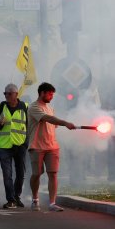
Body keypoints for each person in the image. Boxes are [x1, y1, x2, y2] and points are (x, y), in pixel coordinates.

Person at [27, 82, 76, 212]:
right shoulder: (33, 107)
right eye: (49, 94)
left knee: (53, 174)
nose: (51, 97)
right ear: (42, 93)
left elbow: (53, 124)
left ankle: (52, 203)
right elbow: (48, 119)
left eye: (52, 94)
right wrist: (65, 122)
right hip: (36, 145)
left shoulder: (50, 108)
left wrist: (65, 124)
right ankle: (35, 198)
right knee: (37, 174)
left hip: (52, 146)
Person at [0, 84, 28, 209]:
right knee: (7, 174)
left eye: (9, 93)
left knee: (20, 174)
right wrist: (0, 123)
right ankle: (11, 199)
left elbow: (29, 126)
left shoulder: (25, 107)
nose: (6, 96)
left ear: (16, 94)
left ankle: (17, 196)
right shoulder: (1, 107)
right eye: (5, 93)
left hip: (20, 145)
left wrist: (25, 143)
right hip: (5, 146)